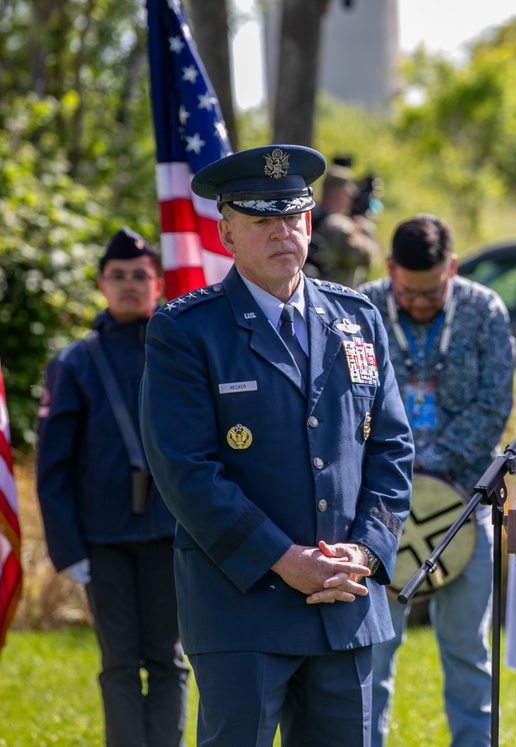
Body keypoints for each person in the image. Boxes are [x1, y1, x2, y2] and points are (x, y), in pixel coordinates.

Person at [138, 144, 414, 747]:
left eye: (293, 217)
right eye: (262, 220)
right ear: (227, 232)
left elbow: (391, 450)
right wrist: (284, 559)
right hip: (242, 608)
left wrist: (364, 553)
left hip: (343, 604)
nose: (282, 233)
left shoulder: (357, 318)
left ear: (311, 223)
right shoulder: (186, 331)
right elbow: (187, 473)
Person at [358, 215, 515, 747]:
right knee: (372, 652)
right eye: (409, 291)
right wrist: (402, 469)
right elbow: (345, 404)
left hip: (465, 503)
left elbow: (493, 405)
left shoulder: (484, 309)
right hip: (379, 509)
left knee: (469, 650)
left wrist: (430, 461)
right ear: (389, 270)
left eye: (431, 292)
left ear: (452, 268)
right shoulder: (360, 309)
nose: (420, 303)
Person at [36, 227, 188, 747]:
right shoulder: (75, 362)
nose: (129, 285)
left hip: (171, 534)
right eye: (118, 276)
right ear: (101, 284)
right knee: (119, 662)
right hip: (102, 538)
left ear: (159, 284)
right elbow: (53, 467)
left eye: (140, 276)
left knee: (168, 661)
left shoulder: (179, 351)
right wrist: (67, 548)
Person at [307, 157, 382, 287]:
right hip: (337, 296)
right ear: (342, 192)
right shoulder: (340, 226)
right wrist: (365, 227)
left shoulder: (311, 215)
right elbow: (368, 258)